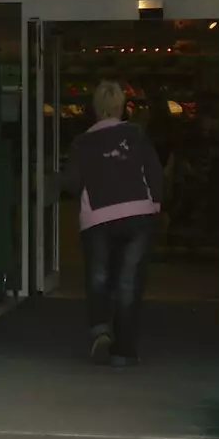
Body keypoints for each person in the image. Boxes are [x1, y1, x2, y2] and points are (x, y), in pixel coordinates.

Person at [60, 80, 164, 367]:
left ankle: (100, 329)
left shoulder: (83, 142)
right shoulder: (137, 134)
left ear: (95, 108)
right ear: (122, 106)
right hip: (138, 214)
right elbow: (155, 173)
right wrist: (155, 205)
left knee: (99, 274)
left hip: (99, 218)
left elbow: (71, 182)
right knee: (129, 283)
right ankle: (124, 351)